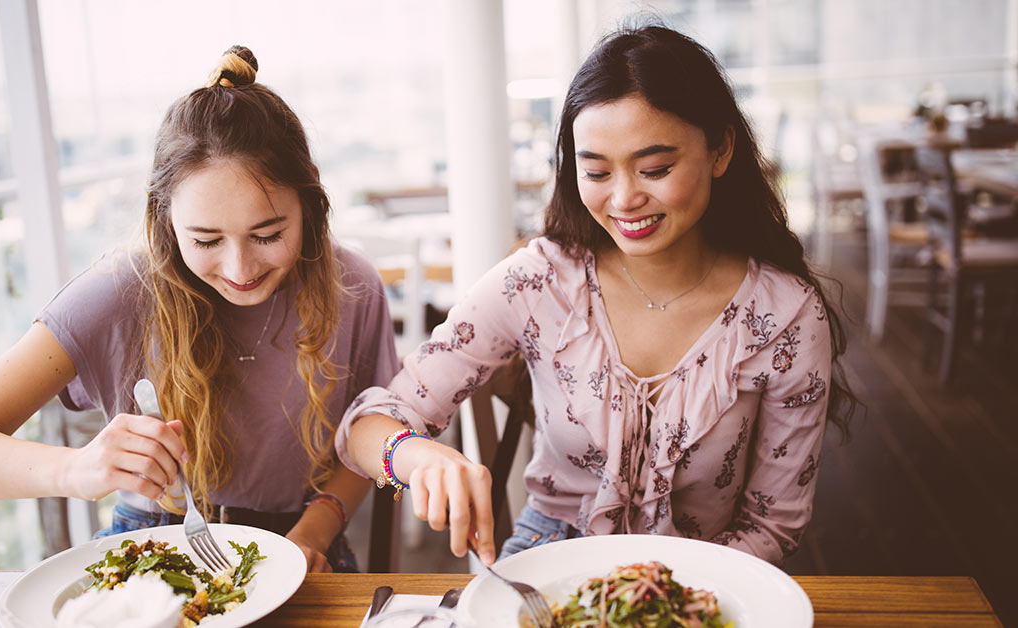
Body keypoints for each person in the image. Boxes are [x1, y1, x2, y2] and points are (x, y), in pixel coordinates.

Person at [336, 24, 855, 568]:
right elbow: (370, 425)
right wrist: (419, 459)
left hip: (709, 571)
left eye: (655, 169)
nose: (625, 199)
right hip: (548, 559)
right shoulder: (538, 281)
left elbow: (773, 525)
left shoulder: (785, 315)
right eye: (597, 171)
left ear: (721, 149)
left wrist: (657, 596)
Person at [0, 46, 398, 573]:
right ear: (166, 221)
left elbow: (367, 435)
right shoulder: (119, 290)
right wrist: (76, 470)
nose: (240, 268)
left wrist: (317, 528)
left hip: (306, 540)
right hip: (155, 543)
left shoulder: (353, 285)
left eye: (268, 234)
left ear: (311, 203)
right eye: (206, 240)